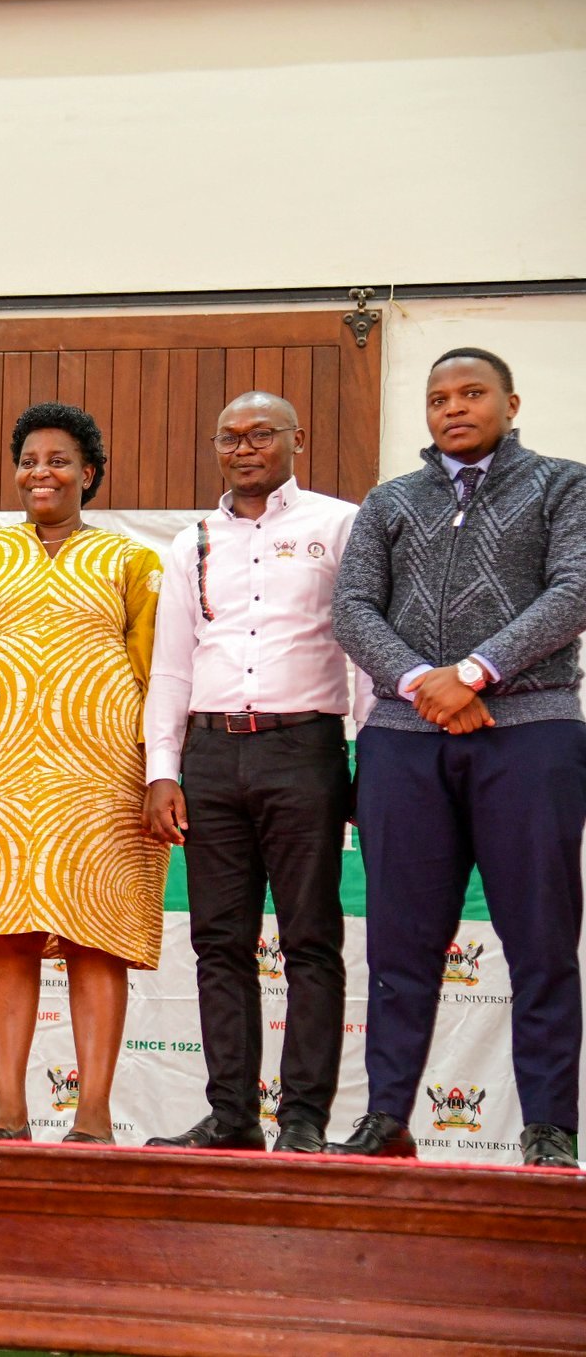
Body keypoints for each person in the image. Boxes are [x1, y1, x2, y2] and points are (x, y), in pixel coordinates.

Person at [331, 348, 586, 1170]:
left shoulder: (564, 485)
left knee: (540, 938)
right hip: (405, 742)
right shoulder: (390, 500)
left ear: (510, 402)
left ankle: (549, 1125)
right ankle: (388, 1117)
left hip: (533, 731)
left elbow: (574, 590)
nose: (453, 408)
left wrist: (474, 673)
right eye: (439, 397)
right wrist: (418, 682)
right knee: (399, 943)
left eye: (472, 393)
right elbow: (353, 608)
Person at [0, 401, 166, 1145]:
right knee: (5, 931)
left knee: (97, 933)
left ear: (89, 473)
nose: (41, 472)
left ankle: (92, 1114)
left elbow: (160, 672)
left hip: (105, 770)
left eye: (58, 460)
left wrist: (162, 771)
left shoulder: (133, 563)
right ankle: (7, 1110)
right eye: (29, 459)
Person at [141, 392, 356, 1155]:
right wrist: (162, 770)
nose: (244, 447)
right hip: (210, 754)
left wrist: (371, 762)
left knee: (310, 942)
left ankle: (302, 1120)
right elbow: (172, 665)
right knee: (219, 943)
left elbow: (361, 650)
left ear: (297, 439)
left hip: (305, 751)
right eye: (229, 436)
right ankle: (232, 1116)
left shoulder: (339, 525)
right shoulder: (190, 539)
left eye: (261, 433)